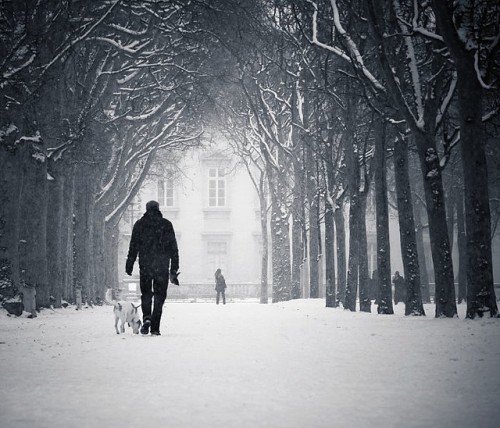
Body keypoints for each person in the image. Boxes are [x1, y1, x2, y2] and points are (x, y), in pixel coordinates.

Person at [126, 200, 179, 336]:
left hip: (145, 266)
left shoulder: (140, 224)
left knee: (146, 294)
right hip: (162, 266)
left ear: (146, 209)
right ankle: (155, 327)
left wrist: (130, 263)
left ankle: (147, 318)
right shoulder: (166, 225)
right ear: (158, 209)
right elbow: (173, 249)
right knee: (160, 296)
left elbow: (133, 246)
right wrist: (173, 269)